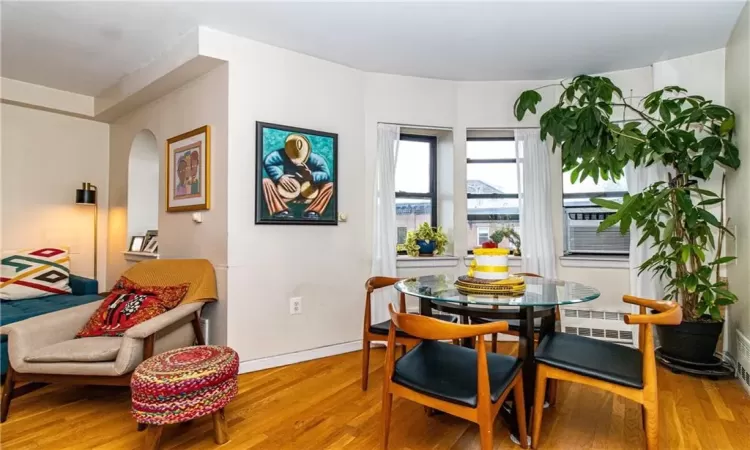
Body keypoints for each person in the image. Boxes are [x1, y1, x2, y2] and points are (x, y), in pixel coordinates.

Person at [262, 133, 333, 219]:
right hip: (287, 191)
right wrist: (279, 176)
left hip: (309, 193)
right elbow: (268, 161)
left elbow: (326, 174)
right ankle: (280, 211)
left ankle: (313, 211)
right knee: (265, 182)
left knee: (330, 186)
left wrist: (311, 176)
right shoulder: (281, 154)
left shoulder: (316, 159)